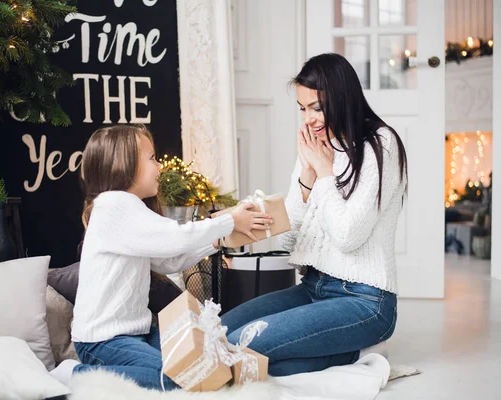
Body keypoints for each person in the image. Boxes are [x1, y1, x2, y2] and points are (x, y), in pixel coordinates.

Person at [221, 53, 408, 375]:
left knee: (242, 345)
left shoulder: (380, 145)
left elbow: (348, 237)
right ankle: (345, 351)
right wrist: (306, 176)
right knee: (219, 333)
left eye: (317, 107)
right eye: (303, 108)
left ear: (342, 98)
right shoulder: (318, 146)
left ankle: (360, 352)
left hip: (365, 301)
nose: (309, 119)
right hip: (313, 288)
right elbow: (293, 235)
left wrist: (323, 172)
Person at [69, 124, 272, 390]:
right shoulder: (114, 204)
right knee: (179, 379)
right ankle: (76, 374)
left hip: (136, 333)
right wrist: (228, 221)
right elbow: (174, 238)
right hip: (103, 341)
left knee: (199, 366)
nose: (159, 167)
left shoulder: (127, 209)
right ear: (124, 163)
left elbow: (169, 261)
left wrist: (218, 238)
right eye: (152, 158)